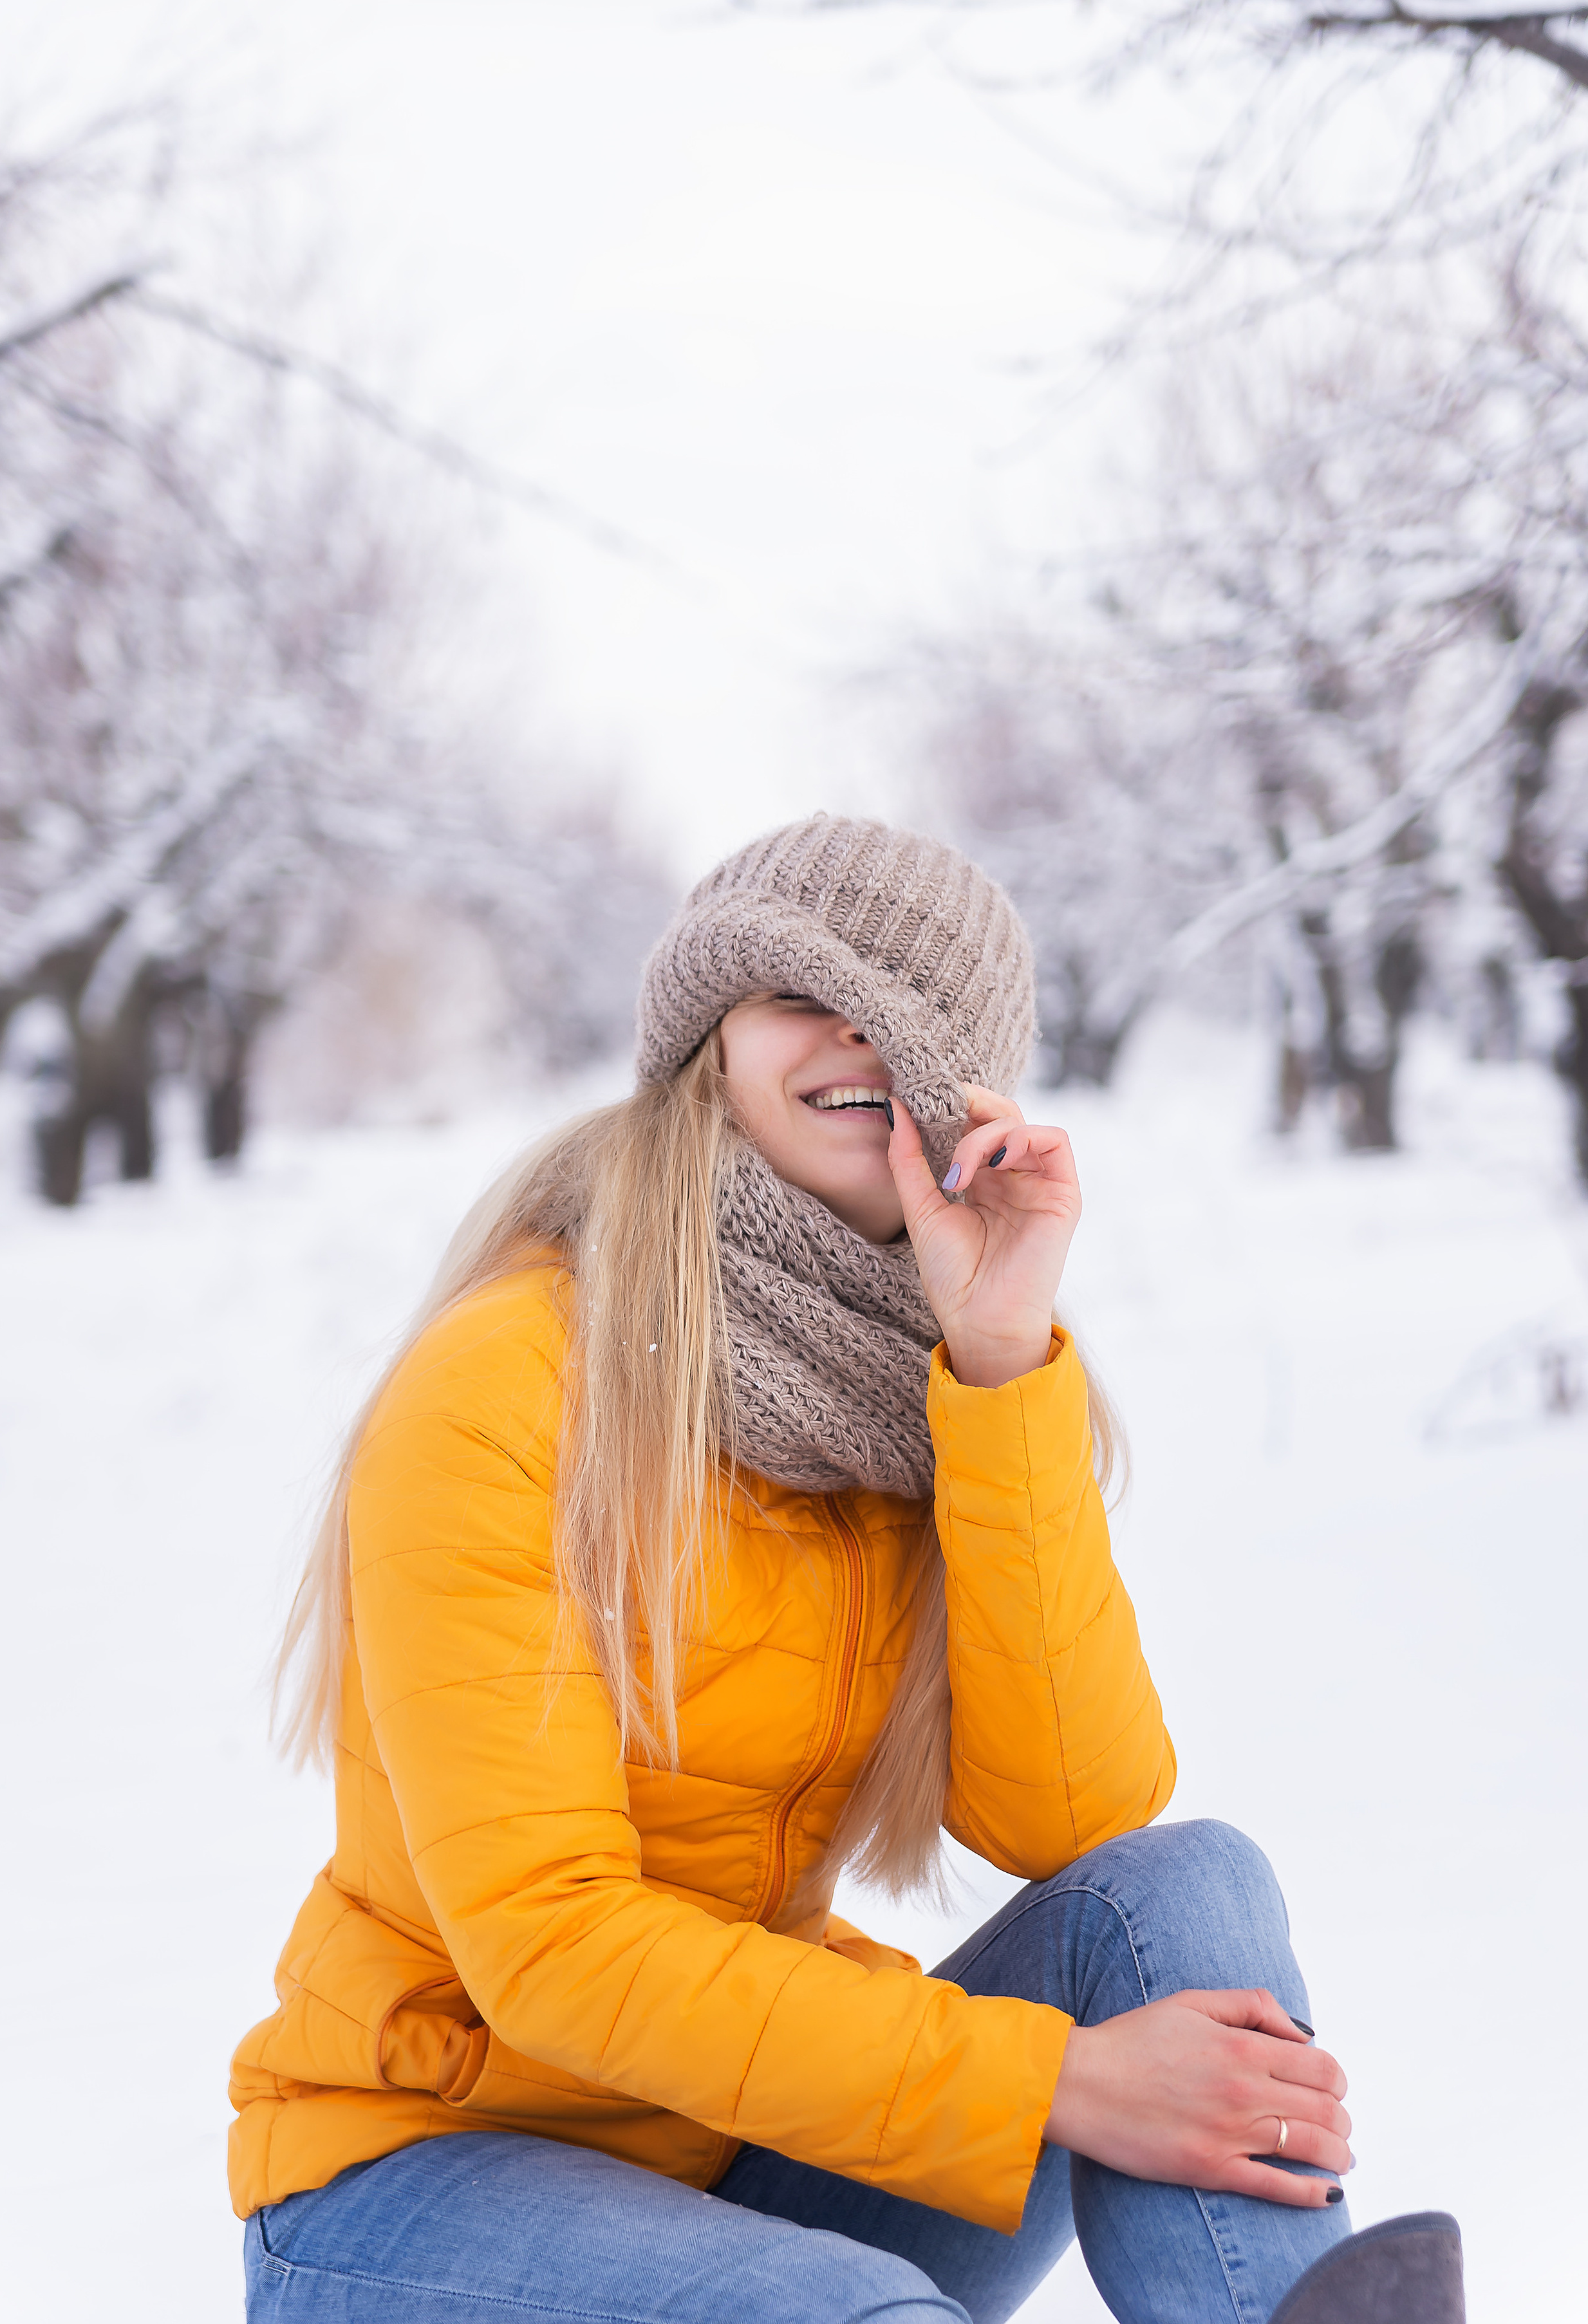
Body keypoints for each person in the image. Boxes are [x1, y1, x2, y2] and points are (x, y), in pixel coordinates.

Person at [232, 817, 1387, 2324]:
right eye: (800, 996)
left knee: (1176, 1894)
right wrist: (1060, 2083)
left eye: (904, 1014)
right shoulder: (514, 1379)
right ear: (711, 1039)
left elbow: (1074, 1819)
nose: (853, 1039)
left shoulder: (910, 1383)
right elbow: (553, 1945)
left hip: (738, 2156)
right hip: (416, 2189)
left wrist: (990, 1366)